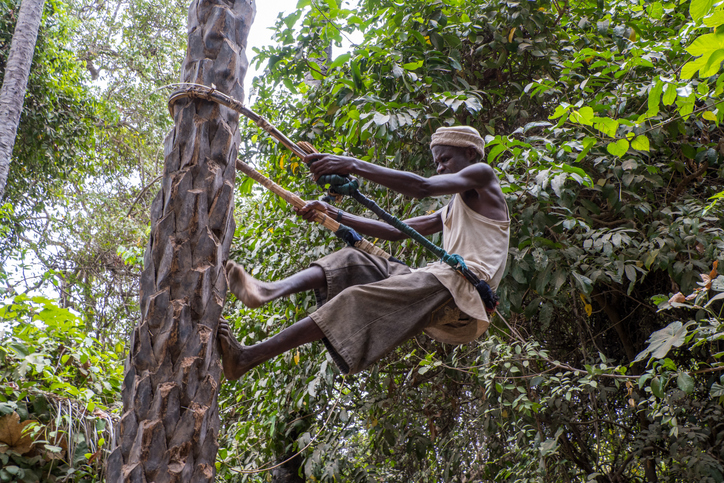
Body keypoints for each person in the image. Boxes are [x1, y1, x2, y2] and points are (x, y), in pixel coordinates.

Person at [218, 126, 510, 379]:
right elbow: (397, 230)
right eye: (437, 162)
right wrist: (334, 213)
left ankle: (246, 359)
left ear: (470, 155)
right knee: (352, 260)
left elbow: (422, 187)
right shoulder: (452, 208)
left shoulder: (483, 176)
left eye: (445, 159)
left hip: (465, 294)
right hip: (441, 281)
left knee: (354, 300)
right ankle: (267, 291)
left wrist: (352, 164)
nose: (440, 168)